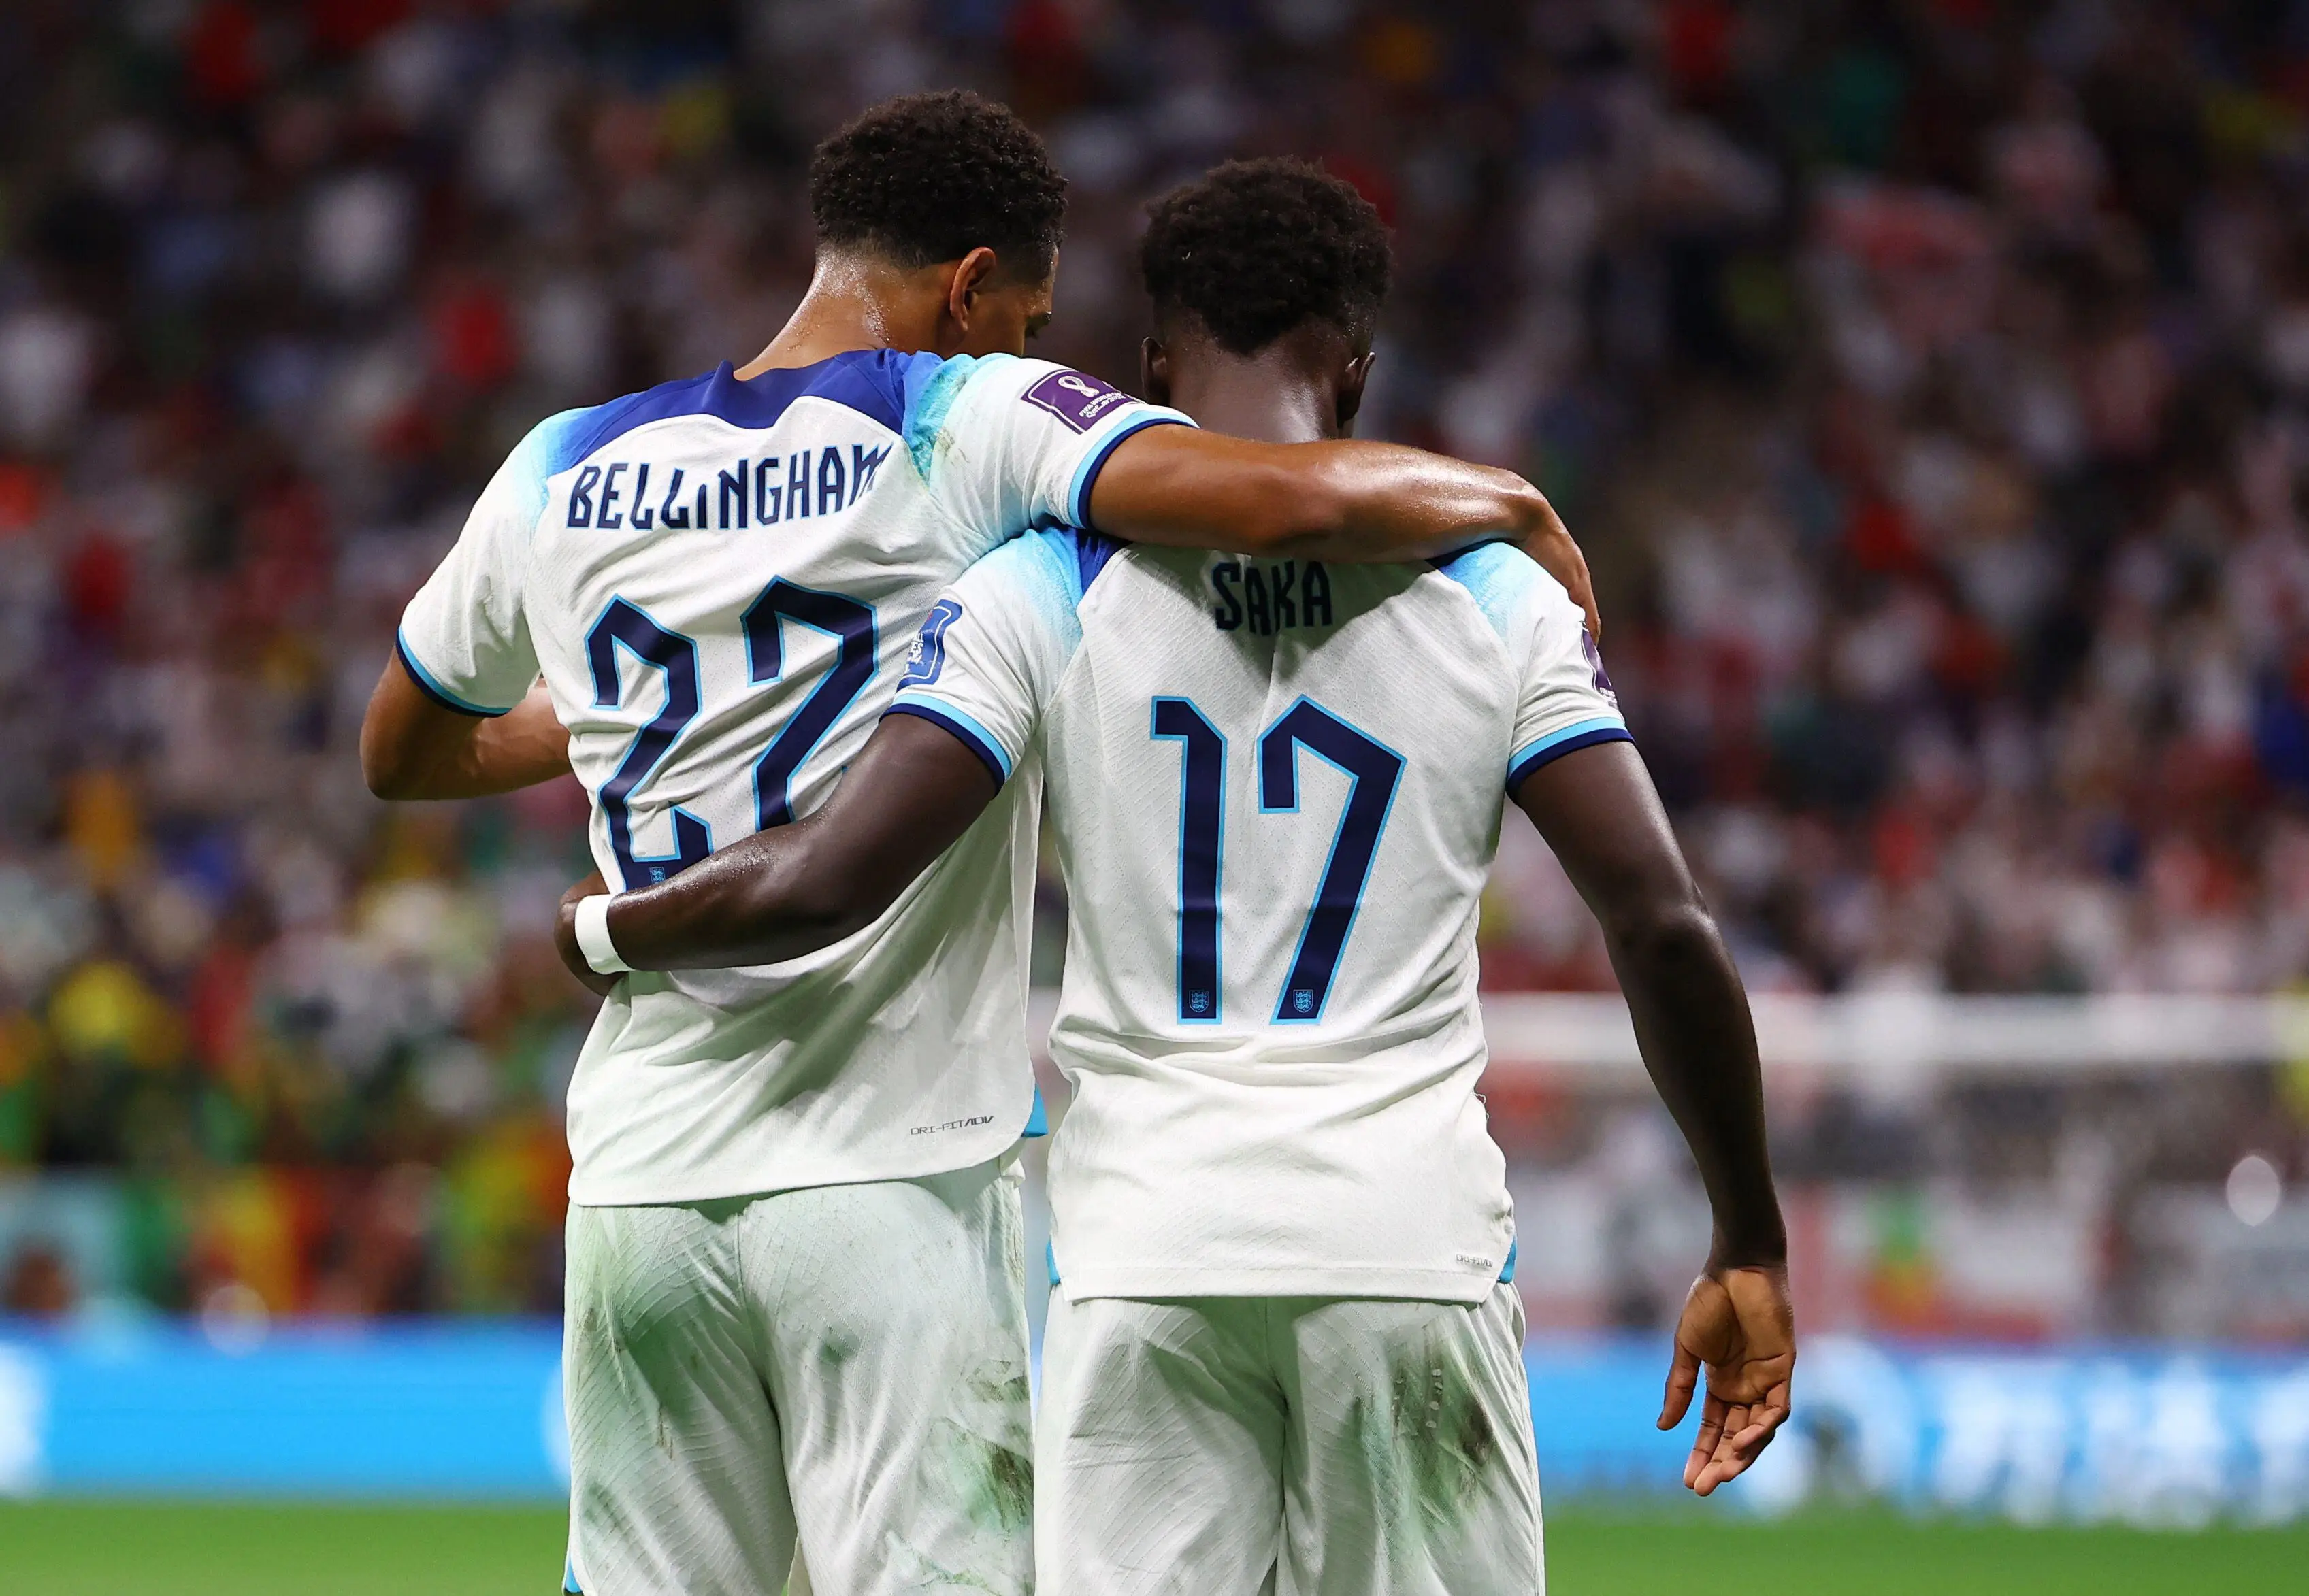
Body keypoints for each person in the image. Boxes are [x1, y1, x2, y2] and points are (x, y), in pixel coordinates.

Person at [361, 95, 1594, 1596]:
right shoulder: (961, 419)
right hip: (889, 1179)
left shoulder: (560, 463)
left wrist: (580, 721)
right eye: (1026, 315)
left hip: (639, 1184)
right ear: (968, 288)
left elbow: (403, 750)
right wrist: (1508, 501)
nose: (1032, 348)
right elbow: (1269, 502)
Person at [557, 159, 1794, 1594]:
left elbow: (840, 864)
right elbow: (1661, 922)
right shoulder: (1494, 591)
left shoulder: (1040, 586)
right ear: (1356, 375)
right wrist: (1746, 1236)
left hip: (1144, 1264)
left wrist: (604, 923)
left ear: (1148, 368)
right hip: (1404, 1252)